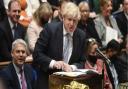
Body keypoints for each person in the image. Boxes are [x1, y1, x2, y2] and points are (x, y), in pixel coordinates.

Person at [33, 2, 86, 89]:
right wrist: (53, 63)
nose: (72, 24)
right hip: (48, 80)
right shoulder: (50, 30)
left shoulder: (81, 35)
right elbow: (37, 54)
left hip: (69, 83)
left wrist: (72, 67)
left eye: (75, 21)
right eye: (69, 19)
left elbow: (82, 61)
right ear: (63, 18)